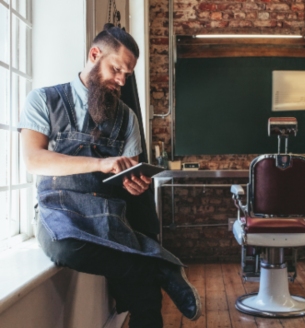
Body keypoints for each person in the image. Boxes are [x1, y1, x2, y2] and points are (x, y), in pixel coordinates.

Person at [18, 24, 201, 328]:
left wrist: (134, 184)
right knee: (67, 248)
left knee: (146, 299)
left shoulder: (127, 118)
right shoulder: (43, 100)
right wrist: (100, 164)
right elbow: (34, 160)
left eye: (126, 75)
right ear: (94, 54)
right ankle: (159, 266)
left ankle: (153, 272)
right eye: (116, 69)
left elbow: (128, 176)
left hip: (107, 214)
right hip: (58, 210)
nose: (120, 80)